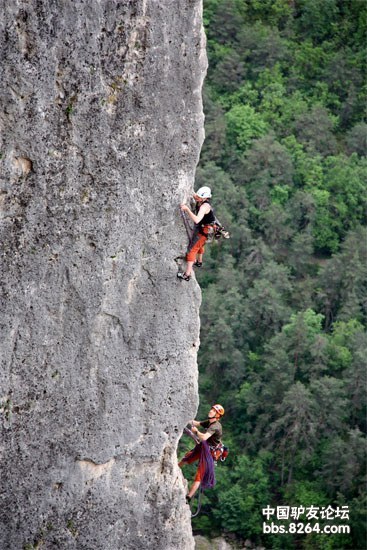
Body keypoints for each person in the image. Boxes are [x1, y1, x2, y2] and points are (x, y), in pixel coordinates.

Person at [178, 404, 224, 502]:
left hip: (210, 453)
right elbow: (197, 423)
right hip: (204, 447)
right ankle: (176, 467)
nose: (211, 411)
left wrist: (196, 432)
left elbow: (203, 437)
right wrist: (184, 418)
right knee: (188, 458)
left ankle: (188, 497)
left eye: (213, 411)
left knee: (200, 474)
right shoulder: (210, 422)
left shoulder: (215, 426)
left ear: (217, 415)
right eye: (211, 409)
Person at [177, 186, 216, 281]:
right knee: (200, 245)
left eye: (199, 197)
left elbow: (197, 220)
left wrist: (187, 209)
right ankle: (199, 261)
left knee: (192, 250)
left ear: (205, 198)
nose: (196, 198)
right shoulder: (201, 200)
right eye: (197, 196)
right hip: (207, 229)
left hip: (205, 230)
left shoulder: (204, 207)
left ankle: (187, 274)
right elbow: (194, 195)